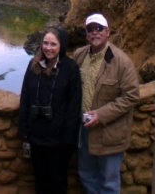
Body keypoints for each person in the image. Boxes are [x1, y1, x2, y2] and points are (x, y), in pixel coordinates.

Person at [74, 13, 139, 194]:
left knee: (109, 182)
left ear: (107, 32)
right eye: (90, 29)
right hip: (84, 129)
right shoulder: (79, 55)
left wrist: (101, 115)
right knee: (86, 174)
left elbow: (131, 96)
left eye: (99, 28)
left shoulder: (122, 62)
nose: (95, 32)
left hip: (109, 133)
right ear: (86, 34)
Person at [18, 27, 82, 194]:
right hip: (36, 136)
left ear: (61, 46)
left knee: (58, 183)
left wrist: (69, 140)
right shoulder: (33, 65)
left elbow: (74, 105)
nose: (48, 48)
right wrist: (24, 130)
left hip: (59, 141)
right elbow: (25, 97)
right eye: (45, 43)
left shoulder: (70, 68)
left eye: (53, 44)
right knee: (40, 181)